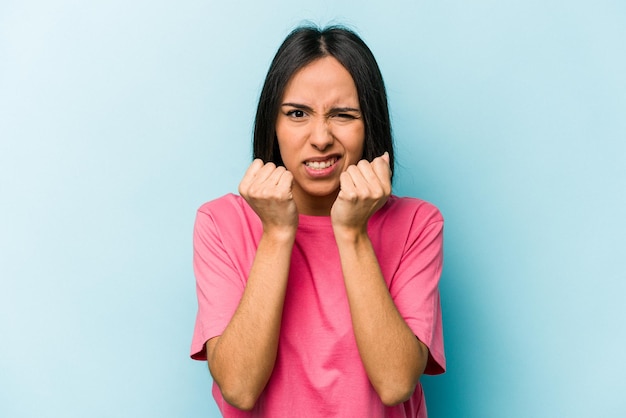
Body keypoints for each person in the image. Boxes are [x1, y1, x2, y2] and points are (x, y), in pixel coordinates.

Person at [190, 25, 445, 418]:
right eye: (297, 114)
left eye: (342, 115)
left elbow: (395, 383)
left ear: (370, 125)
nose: (321, 137)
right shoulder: (221, 223)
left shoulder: (416, 223)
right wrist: (276, 233)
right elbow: (239, 388)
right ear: (272, 124)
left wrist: (352, 233)